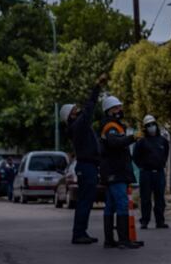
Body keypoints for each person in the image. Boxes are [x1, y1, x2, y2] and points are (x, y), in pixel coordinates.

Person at [63, 72, 109, 245]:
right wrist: (97, 87)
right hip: (86, 167)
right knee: (84, 202)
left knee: (86, 201)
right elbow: (89, 107)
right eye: (75, 110)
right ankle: (79, 234)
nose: (79, 110)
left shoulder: (78, 126)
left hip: (88, 166)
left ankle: (81, 232)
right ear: (71, 116)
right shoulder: (78, 126)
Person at [100, 95, 143, 249]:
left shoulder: (114, 125)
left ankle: (110, 240)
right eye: (116, 107)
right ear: (109, 110)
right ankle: (124, 239)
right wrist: (133, 137)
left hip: (112, 170)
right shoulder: (110, 126)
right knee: (122, 204)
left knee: (111, 205)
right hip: (115, 171)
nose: (120, 110)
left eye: (119, 107)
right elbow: (114, 143)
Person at [133, 114, 170, 230]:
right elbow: (135, 157)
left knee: (160, 199)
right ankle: (144, 221)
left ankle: (160, 221)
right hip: (146, 174)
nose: (151, 127)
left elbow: (165, 154)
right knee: (145, 198)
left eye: (153, 124)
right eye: (148, 125)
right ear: (145, 127)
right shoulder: (141, 142)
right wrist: (143, 166)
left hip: (159, 173)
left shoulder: (163, 141)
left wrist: (161, 164)